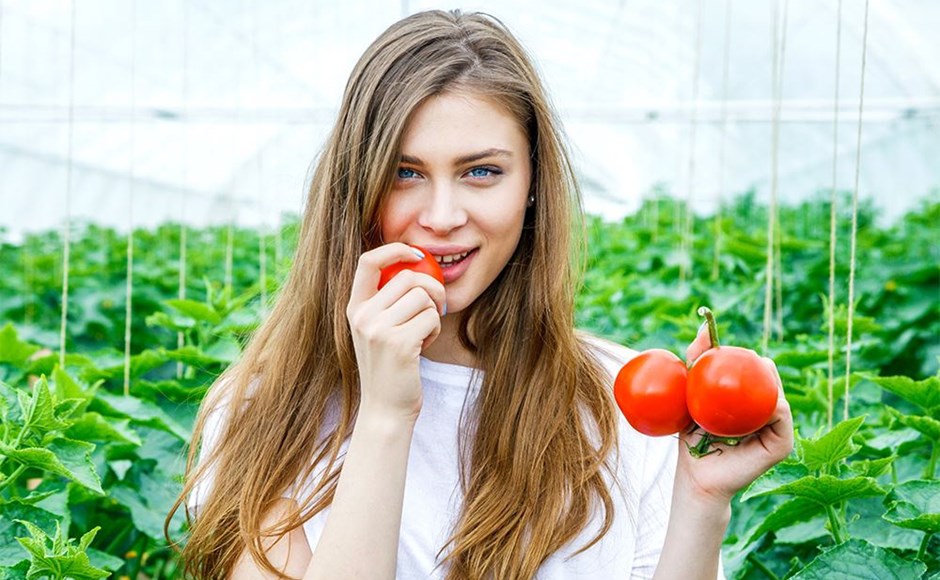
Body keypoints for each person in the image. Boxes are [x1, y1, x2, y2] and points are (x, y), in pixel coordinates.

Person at [167, 9, 794, 579]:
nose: (442, 216)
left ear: (531, 187)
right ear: (355, 190)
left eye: (481, 172)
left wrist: (704, 501)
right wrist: (386, 413)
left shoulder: (623, 401)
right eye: (404, 173)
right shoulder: (266, 411)